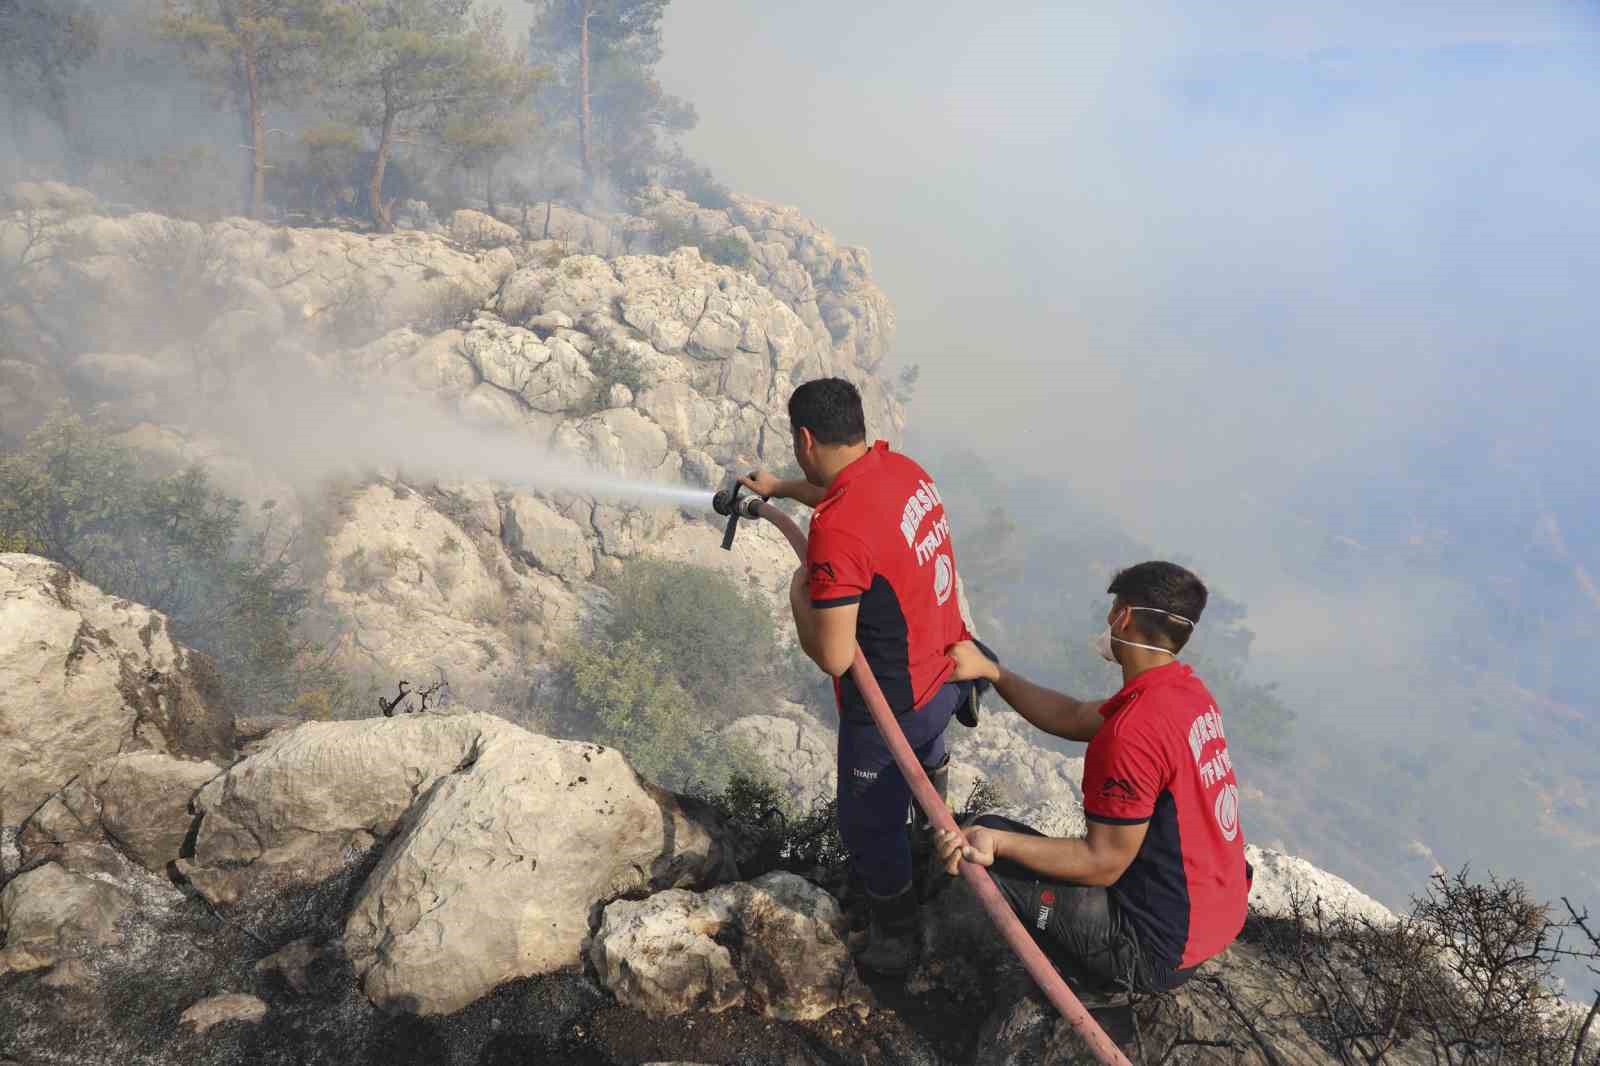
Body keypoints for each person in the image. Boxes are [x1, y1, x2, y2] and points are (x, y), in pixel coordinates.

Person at [740, 377, 976, 976]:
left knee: (867, 822)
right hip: (950, 671)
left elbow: (835, 656)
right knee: (924, 766)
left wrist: (800, 596)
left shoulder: (839, 528)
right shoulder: (902, 472)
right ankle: (932, 838)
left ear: (805, 438)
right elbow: (845, 500)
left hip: (894, 702)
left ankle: (896, 936)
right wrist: (780, 491)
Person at [934, 561, 1251, 994]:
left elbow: (1101, 862)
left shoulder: (1132, 732)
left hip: (1155, 950)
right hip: (1209, 918)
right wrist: (995, 673)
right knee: (990, 832)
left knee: (976, 850)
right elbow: (1072, 715)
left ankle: (1085, 987)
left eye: (1113, 608)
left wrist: (997, 842)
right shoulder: (1184, 693)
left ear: (1123, 616)